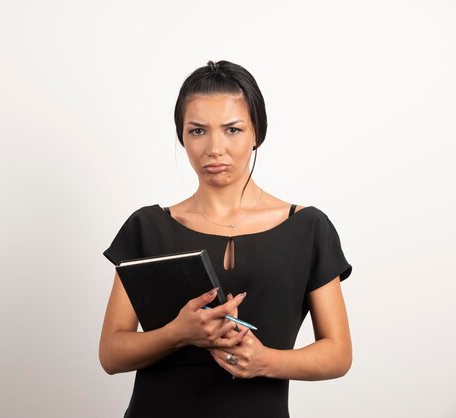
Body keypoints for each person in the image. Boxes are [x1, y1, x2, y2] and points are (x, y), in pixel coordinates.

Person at [99, 60, 353, 418]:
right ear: (182, 136)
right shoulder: (147, 227)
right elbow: (111, 353)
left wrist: (266, 361)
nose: (214, 148)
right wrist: (179, 333)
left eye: (232, 130)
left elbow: (338, 353)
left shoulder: (308, 228)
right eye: (198, 131)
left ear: (256, 134)